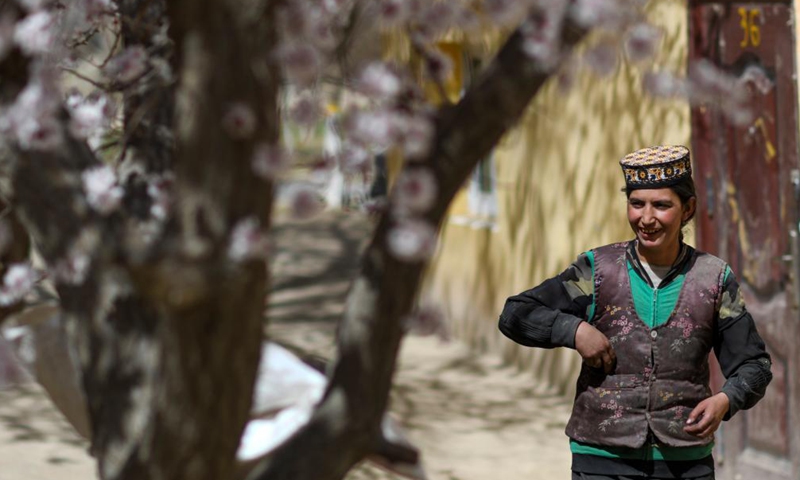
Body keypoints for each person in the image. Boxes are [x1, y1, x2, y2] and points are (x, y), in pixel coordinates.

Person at [498, 145, 773, 480]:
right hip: (601, 458)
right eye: (636, 203)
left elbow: (754, 364)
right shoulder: (597, 270)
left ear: (688, 209)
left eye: (661, 206)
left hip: (685, 461)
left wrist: (726, 401)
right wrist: (574, 331)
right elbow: (516, 314)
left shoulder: (714, 279)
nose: (646, 218)